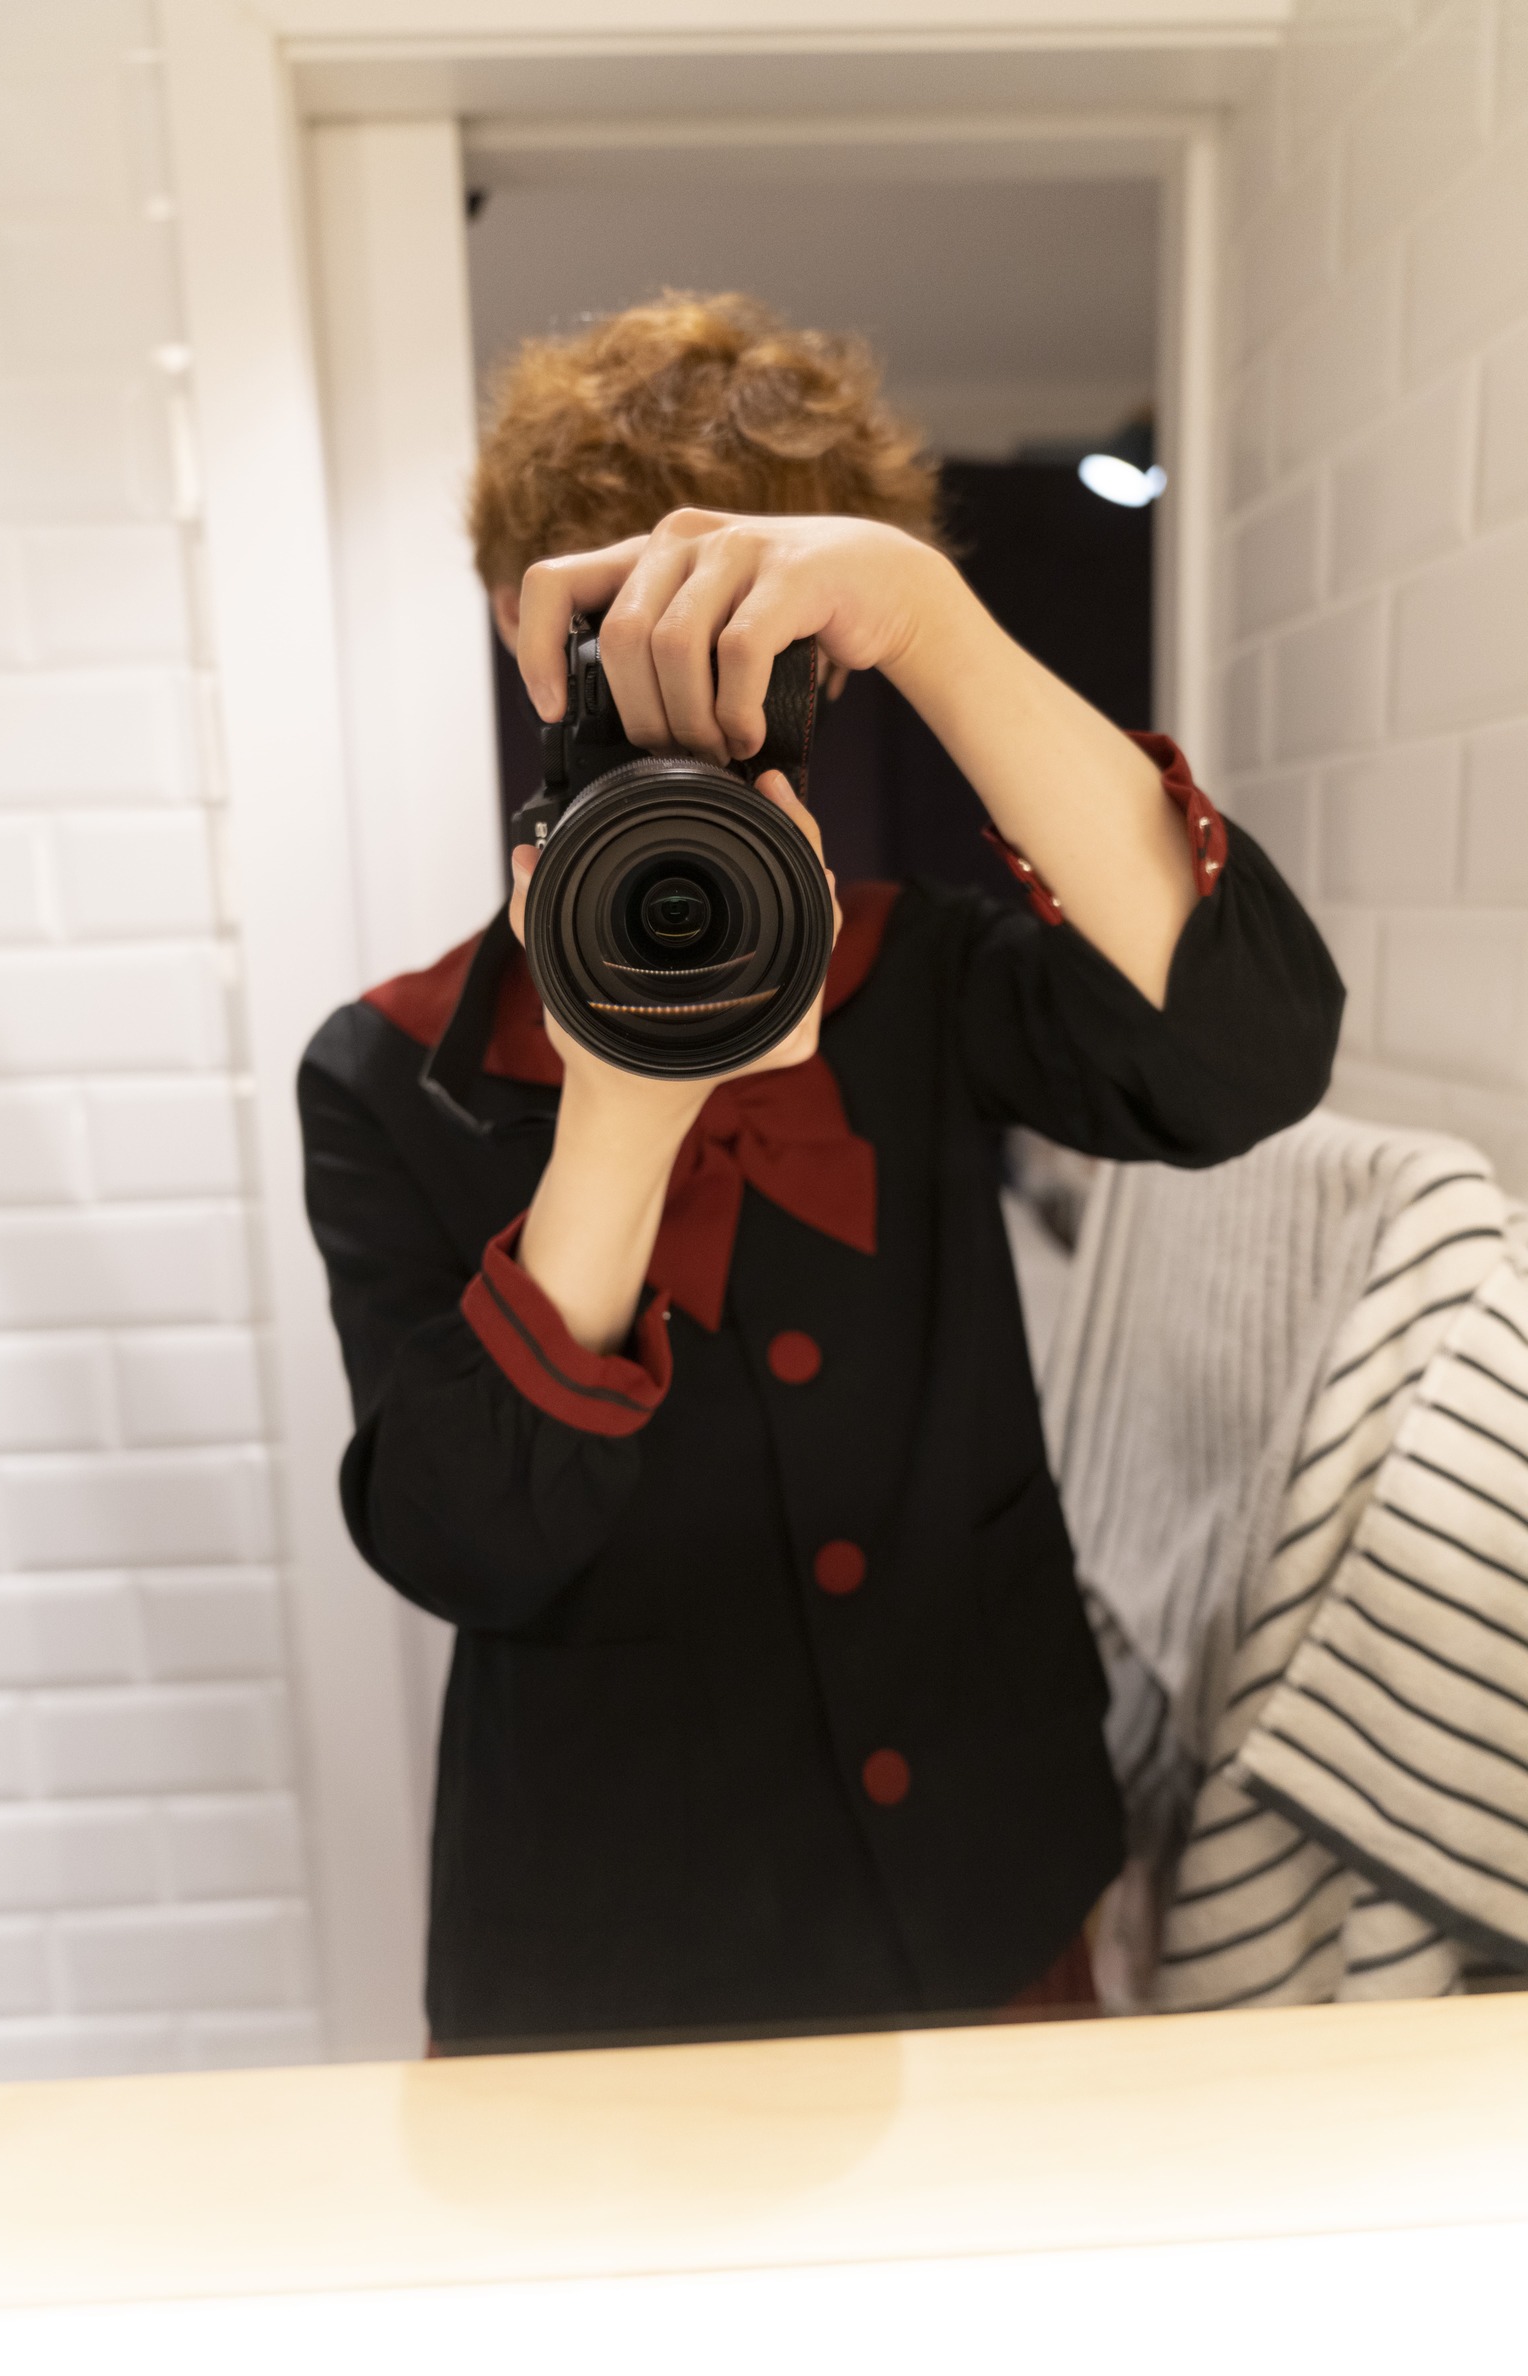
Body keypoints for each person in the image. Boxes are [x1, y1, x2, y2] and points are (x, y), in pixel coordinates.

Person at [299, 293, 1343, 2051]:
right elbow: (460, 1545)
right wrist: (624, 1106)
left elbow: (1244, 1056)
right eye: (623, 637)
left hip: (990, 1882)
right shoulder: (390, 1068)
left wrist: (932, 618)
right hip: (610, 1962)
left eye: (758, 643)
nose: (685, 698)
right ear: (518, 621)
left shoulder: (917, 970)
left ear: (832, 666)